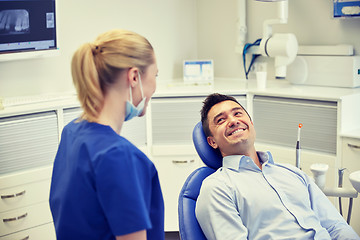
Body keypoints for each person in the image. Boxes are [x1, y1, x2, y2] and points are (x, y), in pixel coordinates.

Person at [49, 29, 164, 240]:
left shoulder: (71, 133)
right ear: (134, 77)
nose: (155, 86)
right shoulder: (120, 156)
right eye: (155, 75)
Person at [195, 93, 359, 240]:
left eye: (237, 113)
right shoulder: (217, 188)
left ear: (251, 124)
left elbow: (336, 226)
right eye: (221, 120)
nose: (233, 121)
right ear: (212, 142)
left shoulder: (293, 173)